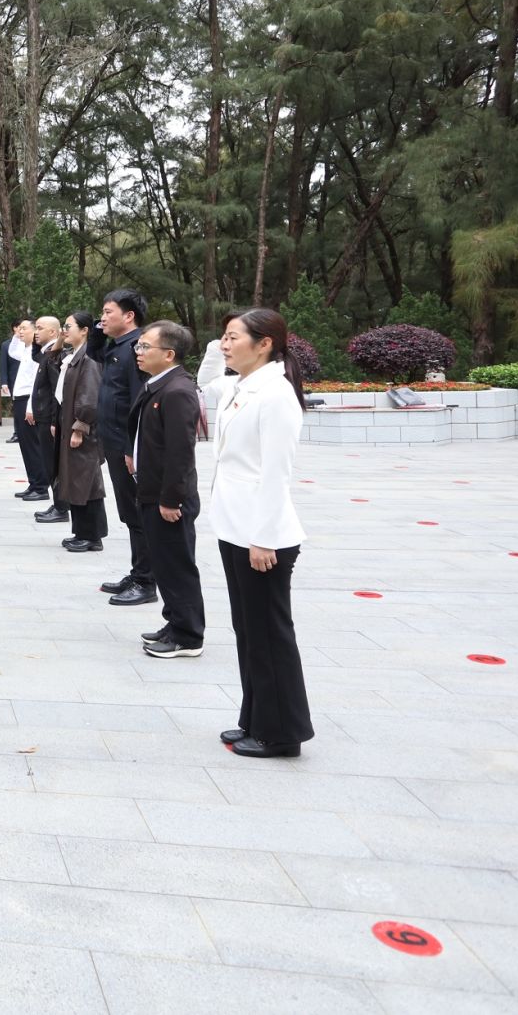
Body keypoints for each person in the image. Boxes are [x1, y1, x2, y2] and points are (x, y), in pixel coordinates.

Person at [206, 307, 314, 758]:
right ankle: (255, 718)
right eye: (224, 337)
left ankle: (282, 734)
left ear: (265, 344)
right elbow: (206, 381)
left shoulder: (276, 395)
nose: (225, 344)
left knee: (269, 634)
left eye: (234, 337)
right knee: (249, 631)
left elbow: (276, 473)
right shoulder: (241, 385)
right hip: (235, 525)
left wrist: (264, 537)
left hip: (262, 535)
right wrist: (219, 346)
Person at [129, 322, 205, 658]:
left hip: (168, 498)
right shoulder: (159, 385)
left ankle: (188, 636)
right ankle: (174, 622)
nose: (139, 352)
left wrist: (171, 499)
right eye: (139, 346)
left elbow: (180, 452)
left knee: (176, 566)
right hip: (152, 490)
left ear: (169, 354)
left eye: (146, 347)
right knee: (164, 563)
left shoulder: (177, 391)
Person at [95, 289, 154, 606]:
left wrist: (133, 449)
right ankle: (138, 571)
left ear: (129, 316)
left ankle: (146, 581)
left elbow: (138, 402)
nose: (102, 318)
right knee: (130, 513)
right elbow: (93, 352)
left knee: (138, 513)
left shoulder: (136, 349)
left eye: (108, 312)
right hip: (115, 442)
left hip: (126, 445)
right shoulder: (117, 346)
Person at [51, 312, 108, 552]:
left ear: (84, 330)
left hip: (83, 430)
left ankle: (91, 535)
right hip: (69, 425)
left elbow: (89, 397)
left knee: (87, 481)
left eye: (68, 326)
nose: (64, 330)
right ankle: (82, 532)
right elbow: (50, 360)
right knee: (76, 480)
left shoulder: (89, 358)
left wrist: (80, 428)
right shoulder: (73, 354)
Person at [30, 317, 68, 523]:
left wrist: (54, 420)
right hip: (43, 416)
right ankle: (58, 504)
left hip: (48, 418)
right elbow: (35, 354)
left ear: (53, 332)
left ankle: (61, 508)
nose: (36, 332)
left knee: (53, 465)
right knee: (48, 463)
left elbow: (56, 391)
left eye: (40, 328)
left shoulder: (55, 355)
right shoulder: (46, 353)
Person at [11, 318, 52, 503]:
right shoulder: (25, 349)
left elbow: (37, 382)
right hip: (20, 400)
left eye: (24, 328)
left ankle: (41, 486)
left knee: (33, 446)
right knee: (26, 447)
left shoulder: (37, 353)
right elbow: (12, 351)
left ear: (35, 331)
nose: (20, 331)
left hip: (29, 400)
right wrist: (17, 335)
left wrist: (31, 407)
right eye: (18, 329)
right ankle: (33, 482)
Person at [0, 321, 26, 442]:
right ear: (14, 328)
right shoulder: (6, 345)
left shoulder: (30, 343)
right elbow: (3, 365)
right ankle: (17, 433)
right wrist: (4, 382)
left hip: (29, 381)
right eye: (20, 327)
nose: (22, 330)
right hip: (14, 381)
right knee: (17, 407)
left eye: (24, 328)